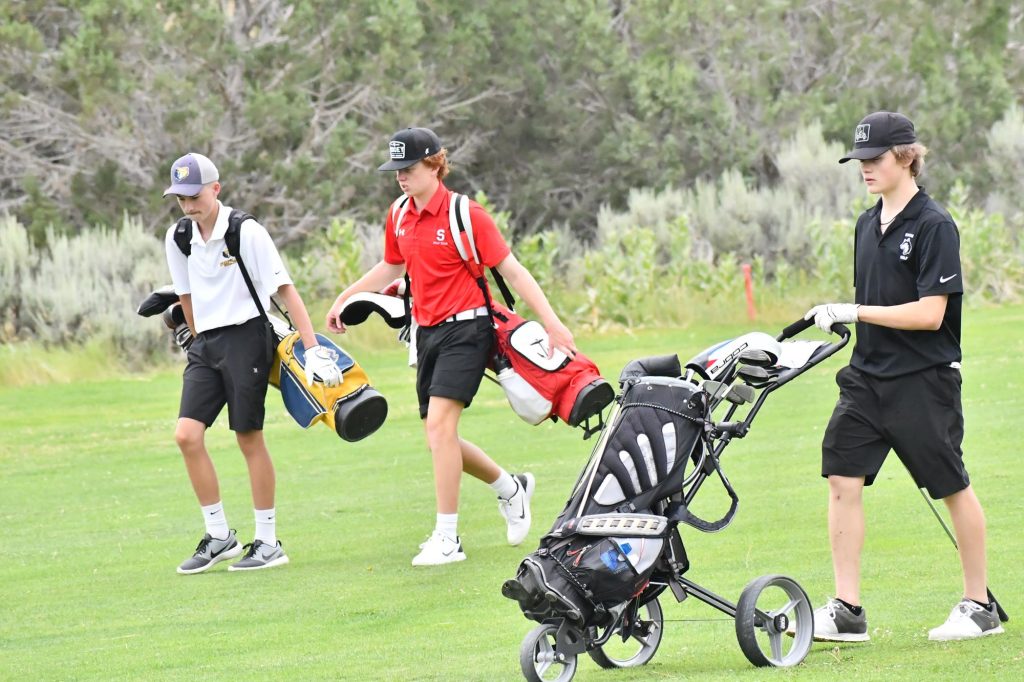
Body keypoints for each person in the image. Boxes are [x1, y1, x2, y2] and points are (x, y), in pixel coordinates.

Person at [326, 127, 577, 566]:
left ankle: (447, 539)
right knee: (437, 437)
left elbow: (513, 272)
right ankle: (510, 487)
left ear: (434, 164)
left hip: (469, 329)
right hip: (426, 334)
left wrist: (553, 323)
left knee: (440, 428)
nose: (400, 178)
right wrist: (345, 297)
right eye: (395, 171)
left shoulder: (467, 214)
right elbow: (390, 264)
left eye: (408, 169)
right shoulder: (399, 214)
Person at [803, 112, 1003, 641]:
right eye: (860, 161)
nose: (865, 168)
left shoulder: (934, 225)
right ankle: (847, 611)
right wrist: (853, 316)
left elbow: (930, 313)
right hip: (867, 379)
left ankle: (978, 606)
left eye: (875, 159)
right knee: (841, 476)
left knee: (951, 485)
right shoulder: (867, 225)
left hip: (924, 378)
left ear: (907, 157)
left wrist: (854, 311)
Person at [163, 152, 343, 574]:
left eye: (195, 195)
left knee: (248, 437)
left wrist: (314, 348)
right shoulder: (179, 236)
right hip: (206, 344)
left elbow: (285, 291)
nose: (188, 205)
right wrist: (193, 333)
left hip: (248, 338)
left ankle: (267, 541)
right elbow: (186, 294)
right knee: (186, 436)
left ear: (215, 189)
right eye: (180, 198)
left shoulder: (245, 231)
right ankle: (220, 535)